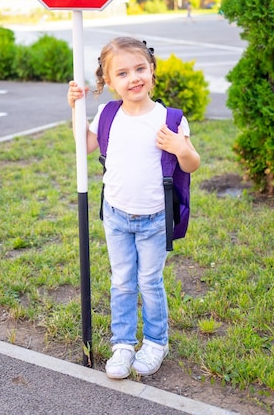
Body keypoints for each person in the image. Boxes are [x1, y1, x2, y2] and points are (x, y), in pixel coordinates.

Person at [67, 37, 200, 380]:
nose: (134, 78)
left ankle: (156, 341)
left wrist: (178, 147)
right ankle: (123, 344)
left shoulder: (169, 119)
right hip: (115, 215)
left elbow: (192, 164)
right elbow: (86, 144)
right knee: (122, 281)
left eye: (140, 69)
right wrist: (75, 110)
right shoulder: (109, 113)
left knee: (149, 281)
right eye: (123, 73)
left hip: (155, 218)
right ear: (109, 82)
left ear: (152, 71)